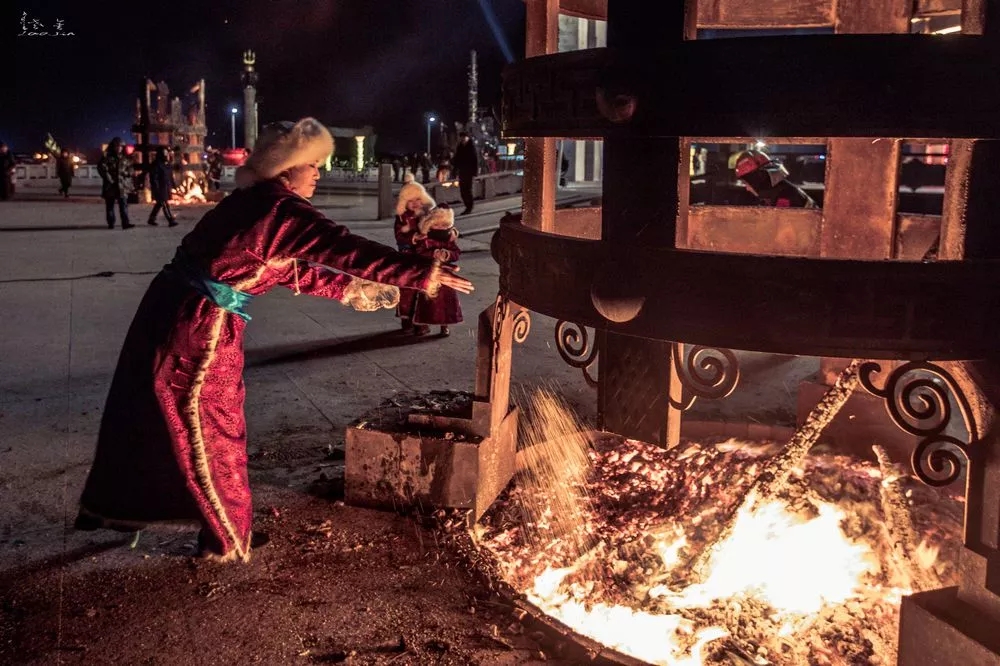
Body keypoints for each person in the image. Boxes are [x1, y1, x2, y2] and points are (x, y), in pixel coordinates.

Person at [74, 118, 474, 562]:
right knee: (207, 425)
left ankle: (206, 524)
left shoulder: (256, 204)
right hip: (196, 327)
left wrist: (350, 290)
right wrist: (421, 271)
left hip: (184, 314)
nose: (319, 173)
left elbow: (286, 267)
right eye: (313, 165)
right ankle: (224, 540)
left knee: (193, 420)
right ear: (287, 169)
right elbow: (340, 246)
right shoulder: (279, 211)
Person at [409, 205, 463, 336]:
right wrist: (432, 254)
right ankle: (422, 324)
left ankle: (445, 325)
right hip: (428, 272)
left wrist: (448, 254)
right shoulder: (425, 239)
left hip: (445, 273)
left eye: (444, 225)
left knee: (447, 303)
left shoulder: (449, 238)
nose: (441, 228)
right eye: (437, 224)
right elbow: (419, 252)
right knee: (426, 300)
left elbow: (456, 253)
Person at [393, 173, 436, 332]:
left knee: (423, 289)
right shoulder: (402, 219)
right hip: (407, 257)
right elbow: (399, 235)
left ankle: (421, 322)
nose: (415, 203)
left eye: (418, 199)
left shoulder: (427, 215)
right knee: (408, 289)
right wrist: (412, 237)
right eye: (410, 201)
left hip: (424, 256)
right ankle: (407, 320)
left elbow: (439, 229)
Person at [733, 149, 816, 208]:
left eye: (747, 183)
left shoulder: (784, 199)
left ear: (758, 180)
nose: (747, 188)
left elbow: (779, 230)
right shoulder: (778, 191)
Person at [97, 138, 135, 229]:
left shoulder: (126, 157)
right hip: (111, 186)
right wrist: (109, 178)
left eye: (121, 146)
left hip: (122, 185)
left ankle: (125, 223)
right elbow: (101, 168)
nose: (119, 148)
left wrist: (126, 174)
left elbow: (131, 169)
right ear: (113, 147)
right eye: (117, 146)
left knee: (124, 205)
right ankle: (111, 223)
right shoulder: (107, 157)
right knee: (110, 205)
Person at [147, 147, 178, 227]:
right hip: (160, 188)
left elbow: (170, 176)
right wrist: (156, 187)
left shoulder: (167, 165)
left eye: (167, 153)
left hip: (166, 187)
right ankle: (170, 220)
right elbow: (154, 177)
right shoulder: (156, 165)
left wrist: (174, 186)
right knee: (164, 203)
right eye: (165, 154)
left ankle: (151, 219)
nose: (167, 155)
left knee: (159, 204)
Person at [453, 132, 478, 215]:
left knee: (468, 190)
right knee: (462, 190)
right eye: (462, 137)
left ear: (467, 138)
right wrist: (454, 170)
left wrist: (475, 172)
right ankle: (467, 206)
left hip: (469, 172)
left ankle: (469, 207)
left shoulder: (471, 147)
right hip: (462, 172)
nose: (463, 139)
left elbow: (475, 160)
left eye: (464, 137)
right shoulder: (460, 147)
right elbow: (457, 159)